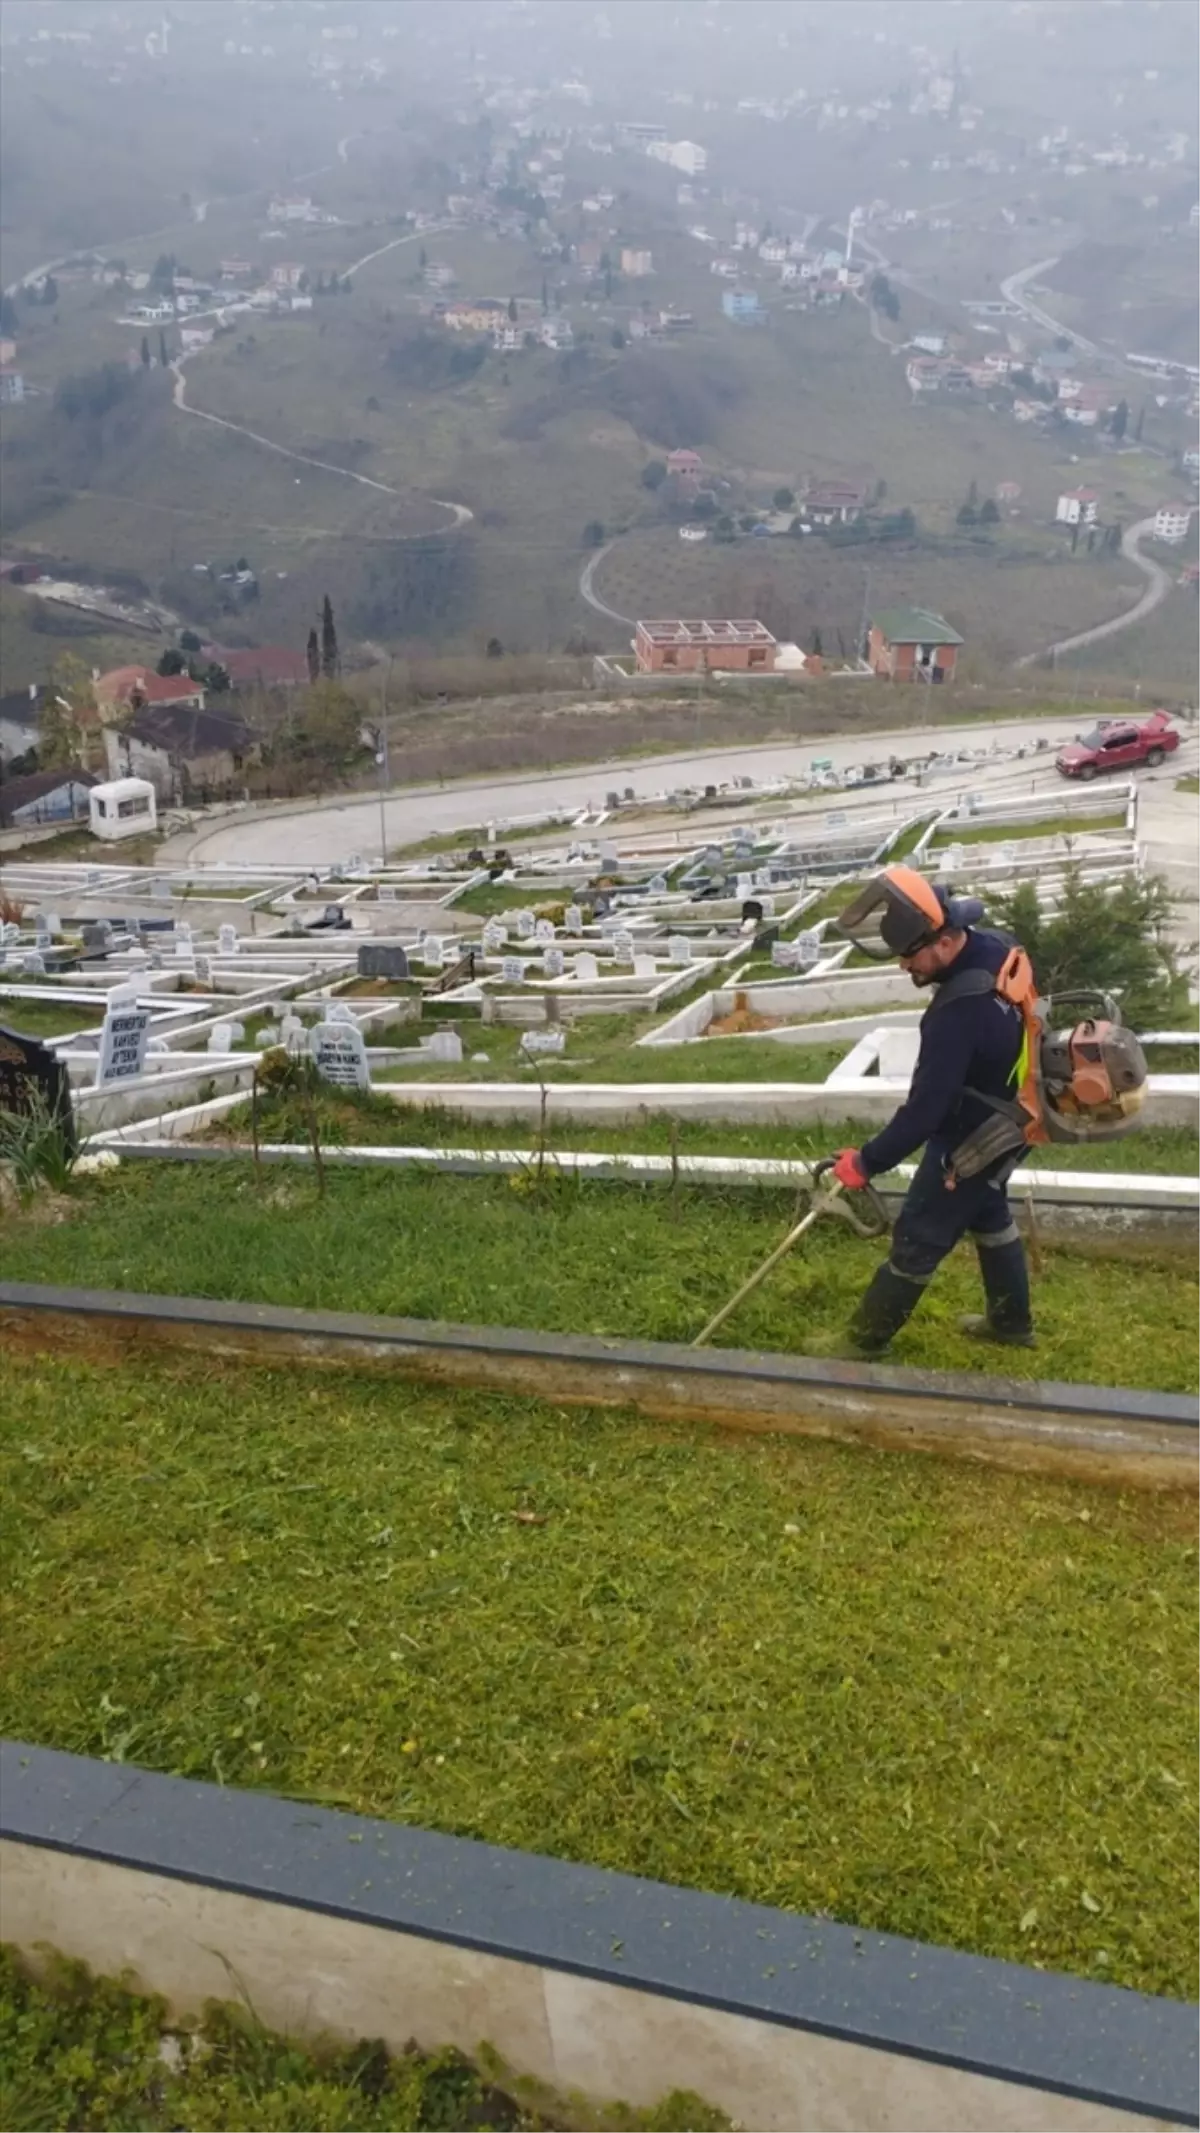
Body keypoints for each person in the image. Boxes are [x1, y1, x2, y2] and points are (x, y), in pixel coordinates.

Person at [827, 866, 1035, 1357]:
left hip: (974, 1136)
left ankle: (861, 1343)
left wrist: (866, 1162)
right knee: (989, 1214)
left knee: (919, 1234)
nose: (905, 967)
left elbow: (924, 1113)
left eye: (911, 955)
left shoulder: (956, 1015)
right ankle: (1011, 1323)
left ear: (943, 942)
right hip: (1017, 1113)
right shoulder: (994, 947)